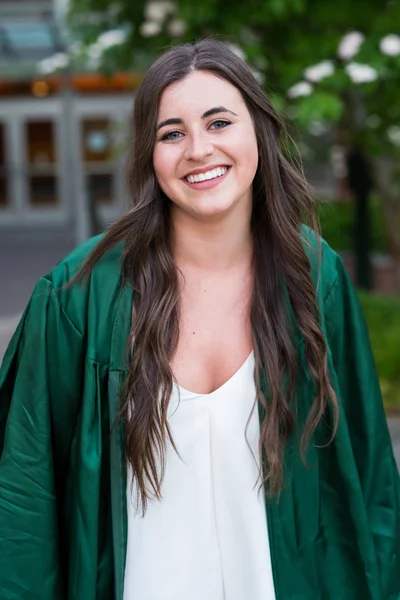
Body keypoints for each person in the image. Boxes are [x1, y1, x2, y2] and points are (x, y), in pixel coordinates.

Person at [0, 38, 399, 600]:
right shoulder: (81, 295)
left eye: (219, 122)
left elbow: (369, 473)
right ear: (150, 155)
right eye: (172, 133)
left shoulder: (311, 277)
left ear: (258, 131)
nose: (198, 149)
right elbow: (24, 496)